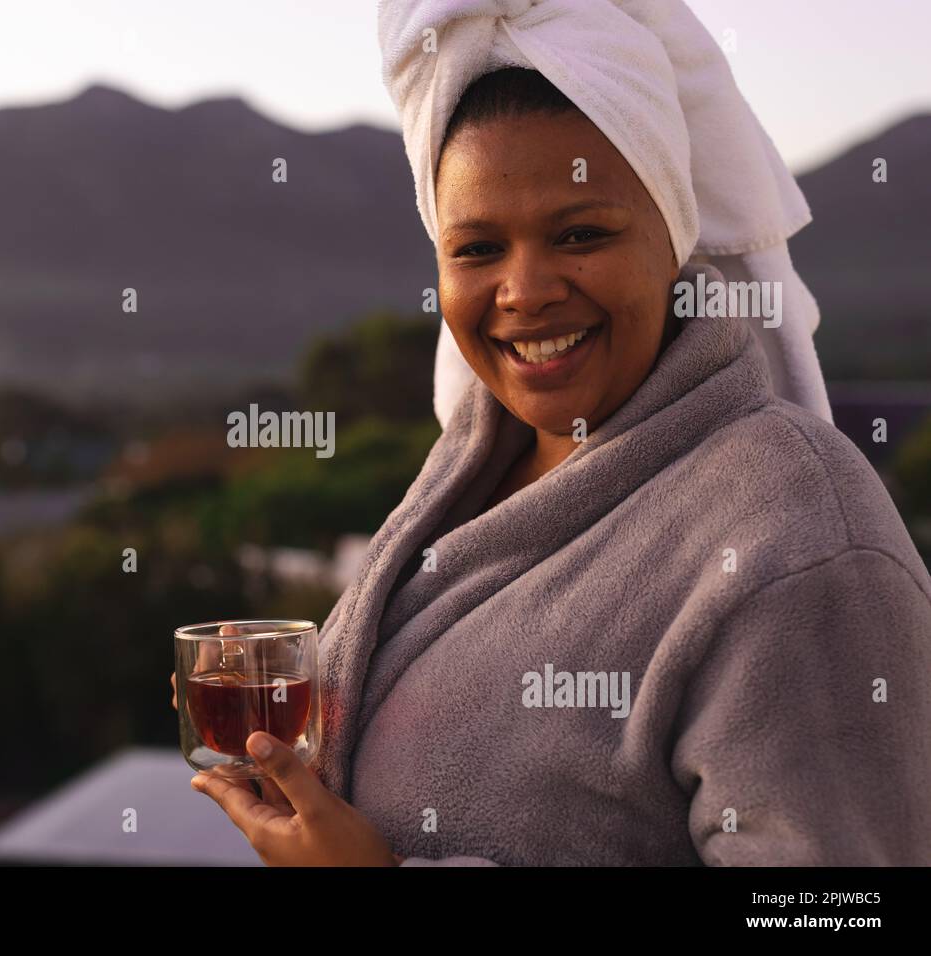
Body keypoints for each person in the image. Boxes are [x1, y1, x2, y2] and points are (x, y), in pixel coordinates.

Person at [179, 0, 931, 865]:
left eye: (580, 234)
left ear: (673, 238)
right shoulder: (474, 467)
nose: (524, 290)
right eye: (476, 249)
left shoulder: (796, 539)